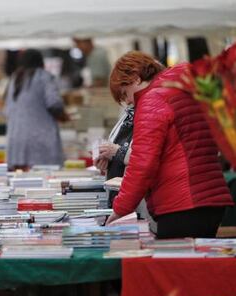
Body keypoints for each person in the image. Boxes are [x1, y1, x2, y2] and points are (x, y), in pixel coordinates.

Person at [105, 51, 233, 239]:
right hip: (210, 197)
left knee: (175, 266)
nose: (129, 102)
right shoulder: (185, 89)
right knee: (197, 265)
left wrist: (119, 210)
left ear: (135, 78)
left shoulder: (152, 100)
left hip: (181, 202)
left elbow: (143, 163)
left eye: (125, 93)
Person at [4, 49, 67, 170]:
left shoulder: (14, 78)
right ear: (40, 62)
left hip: (16, 141)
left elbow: (7, 108)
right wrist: (62, 115)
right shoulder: (44, 77)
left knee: (19, 182)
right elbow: (54, 103)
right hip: (40, 141)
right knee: (42, 182)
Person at [95, 103, 134, 209]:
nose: (125, 100)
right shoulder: (128, 114)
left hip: (133, 199)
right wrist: (107, 160)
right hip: (117, 196)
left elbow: (146, 158)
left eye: (125, 92)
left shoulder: (148, 116)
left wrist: (119, 152)